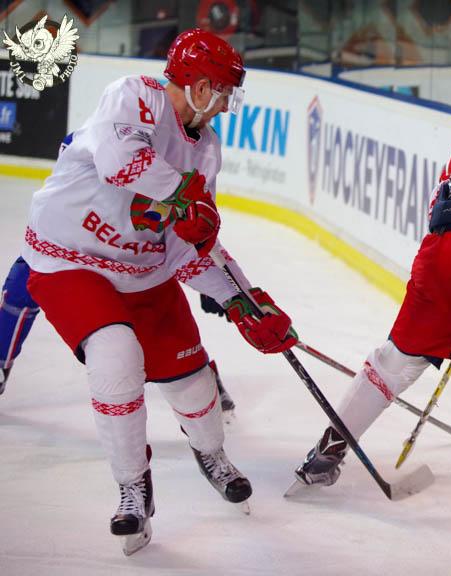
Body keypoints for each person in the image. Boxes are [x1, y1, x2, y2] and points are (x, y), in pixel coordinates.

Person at [20, 29, 297, 555]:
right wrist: (182, 197)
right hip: (69, 259)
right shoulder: (135, 96)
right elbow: (119, 161)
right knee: (115, 355)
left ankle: (211, 453)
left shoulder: (206, 149)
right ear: (198, 86)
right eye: (223, 91)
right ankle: (132, 486)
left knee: (192, 381)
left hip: (143, 272)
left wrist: (243, 299)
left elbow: (190, 243)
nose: (226, 105)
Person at [0, 257, 237, 421]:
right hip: (76, 241)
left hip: (130, 250)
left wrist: (213, 279)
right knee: (23, 279)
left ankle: (195, 373)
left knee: (151, 306)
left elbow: (189, 218)